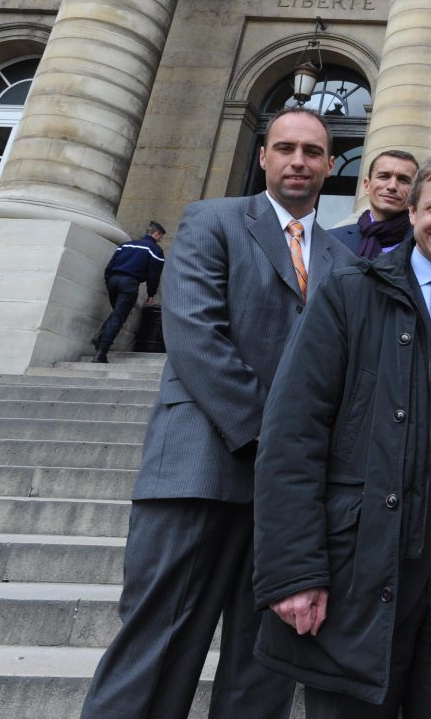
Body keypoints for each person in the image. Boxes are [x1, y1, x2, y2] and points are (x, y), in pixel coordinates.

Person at [80, 107, 351, 719]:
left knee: (264, 670)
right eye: (286, 148)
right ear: (262, 156)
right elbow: (197, 338)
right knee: (155, 652)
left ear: (331, 164)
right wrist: (276, 443)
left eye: (312, 151)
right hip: (200, 470)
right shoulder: (211, 221)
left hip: (286, 502)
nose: (299, 161)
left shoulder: (344, 260)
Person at [252, 155, 431, 718]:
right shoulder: (348, 293)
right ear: (411, 212)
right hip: (364, 560)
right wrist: (294, 571)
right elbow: (293, 434)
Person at [90, 220, 166, 363]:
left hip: (113, 281)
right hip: (129, 284)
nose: (161, 239)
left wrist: (109, 280)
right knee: (119, 316)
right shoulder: (155, 250)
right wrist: (151, 294)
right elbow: (153, 275)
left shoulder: (126, 245)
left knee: (117, 313)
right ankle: (101, 352)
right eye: (161, 236)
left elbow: (110, 266)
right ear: (156, 234)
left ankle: (100, 338)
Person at [331, 149, 419, 257]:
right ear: (367, 185)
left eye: (403, 180)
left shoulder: (425, 244)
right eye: (384, 176)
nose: (392, 186)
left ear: (414, 192)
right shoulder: (332, 240)